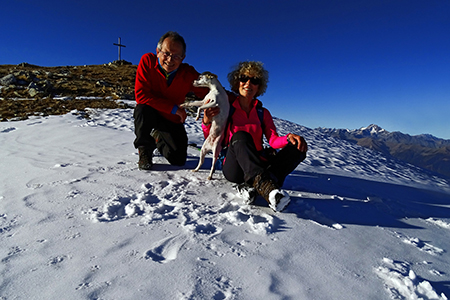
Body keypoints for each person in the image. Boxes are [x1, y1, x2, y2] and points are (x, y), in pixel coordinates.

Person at [202, 61, 307, 212]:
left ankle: (253, 185)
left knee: (298, 147)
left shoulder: (262, 113)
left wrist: (289, 138)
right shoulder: (228, 109)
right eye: (244, 78)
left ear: (259, 87)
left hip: (258, 162)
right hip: (235, 167)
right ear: (237, 82)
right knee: (241, 136)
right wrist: (206, 122)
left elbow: (273, 140)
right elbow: (214, 139)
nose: (248, 83)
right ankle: (268, 187)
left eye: (254, 80)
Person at [134, 31, 207, 170]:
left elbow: (209, 90)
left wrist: (242, 98)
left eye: (176, 56)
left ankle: (157, 137)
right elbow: (141, 95)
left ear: (183, 58)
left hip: (171, 119)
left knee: (178, 160)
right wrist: (174, 108)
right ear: (158, 51)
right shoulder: (147, 61)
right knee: (142, 110)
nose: (170, 59)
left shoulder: (187, 73)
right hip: (152, 112)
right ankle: (144, 150)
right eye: (166, 53)